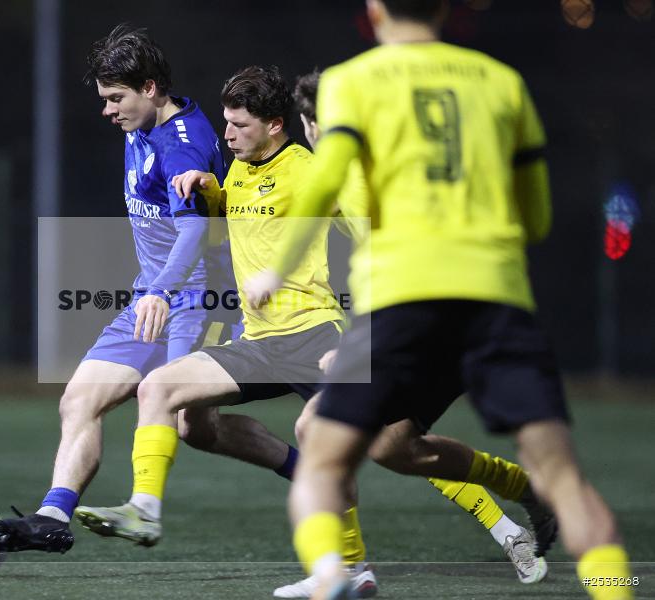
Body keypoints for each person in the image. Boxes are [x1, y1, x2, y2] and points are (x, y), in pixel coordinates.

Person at [75, 65, 551, 596]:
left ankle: (511, 513)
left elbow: (372, 238)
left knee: (397, 446)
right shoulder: (234, 169)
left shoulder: (310, 170)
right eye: (226, 124)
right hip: (258, 341)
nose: (225, 135)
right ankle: (146, 510)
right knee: (159, 389)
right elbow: (235, 210)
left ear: (276, 125)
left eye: (239, 126)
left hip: (316, 338)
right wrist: (206, 189)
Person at [244, 2, 633, 599]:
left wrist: (278, 267)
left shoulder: (353, 83)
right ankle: (612, 585)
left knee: (317, 447)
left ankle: (334, 575)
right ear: (447, 7)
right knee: (561, 479)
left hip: (405, 295)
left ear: (374, 10)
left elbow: (325, 185)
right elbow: (537, 216)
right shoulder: (502, 82)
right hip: (495, 296)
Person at [0, 23, 241, 555]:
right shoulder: (138, 125)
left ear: (150, 88)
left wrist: (161, 292)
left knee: (195, 427)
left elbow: (193, 229)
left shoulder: (182, 145)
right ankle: (53, 515)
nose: (107, 110)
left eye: (116, 97)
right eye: (103, 98)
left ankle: (302, 467)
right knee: (79, 400)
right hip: (151, 298)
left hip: (198, 302)